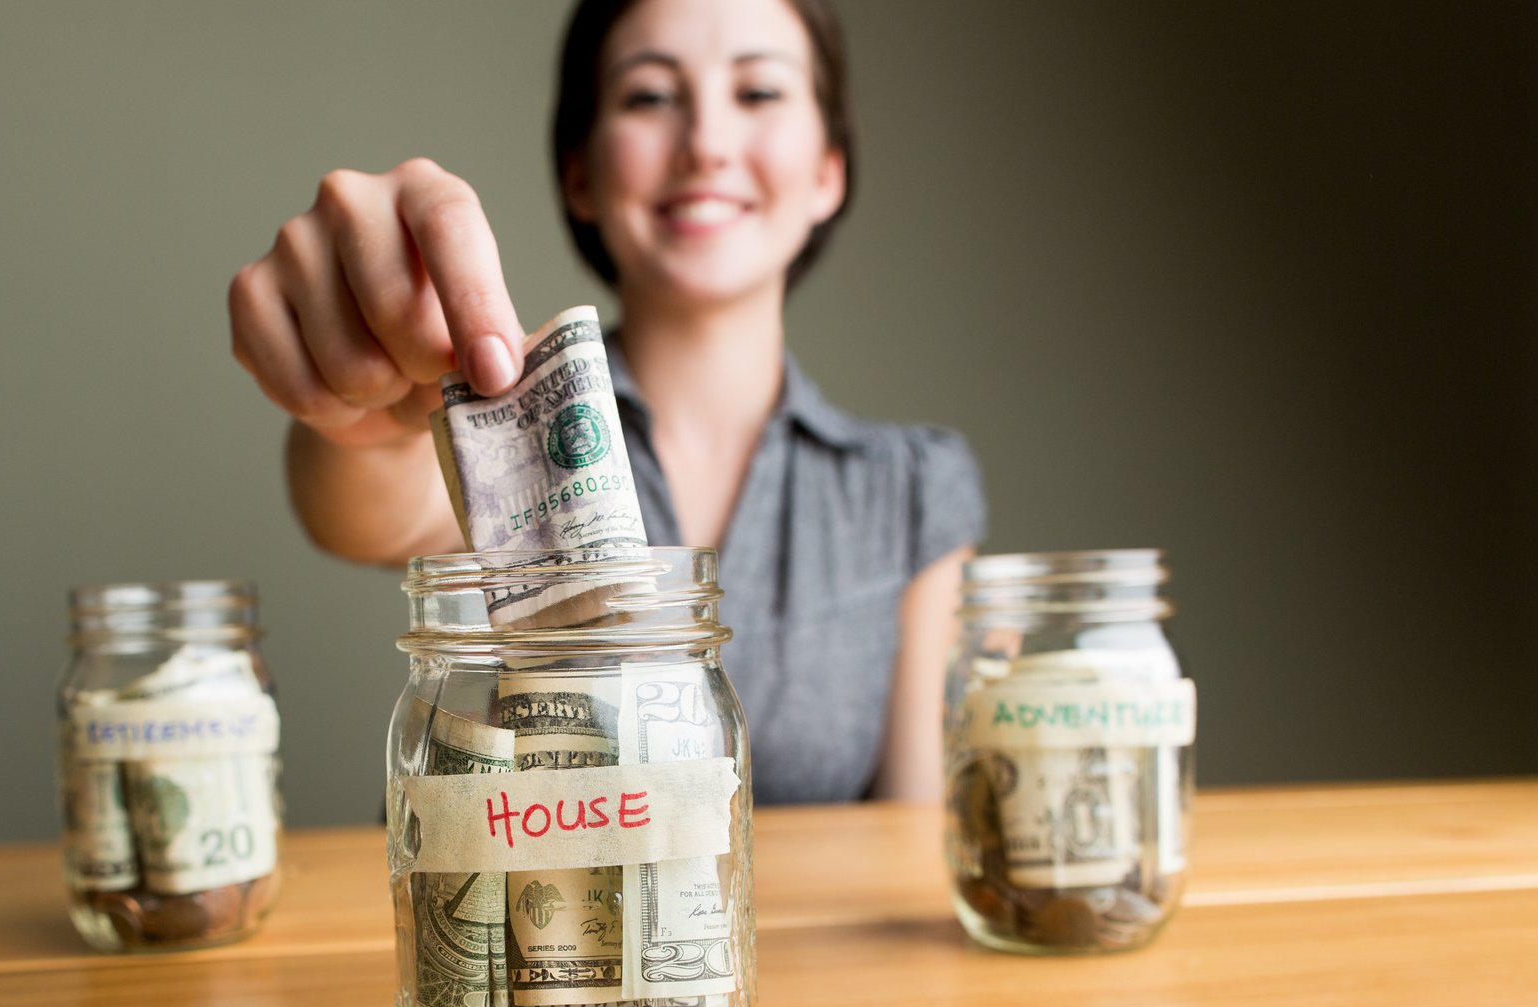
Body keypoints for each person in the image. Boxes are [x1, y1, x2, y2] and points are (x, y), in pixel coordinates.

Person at [227, 0, 984, 804]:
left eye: (758, 92)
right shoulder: (499, 434)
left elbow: (914, 833)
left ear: (828, 171)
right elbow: (368, 500)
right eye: (648, 96)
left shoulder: (913, 487)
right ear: (579, 175)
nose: (706, 145)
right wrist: (362, 404)